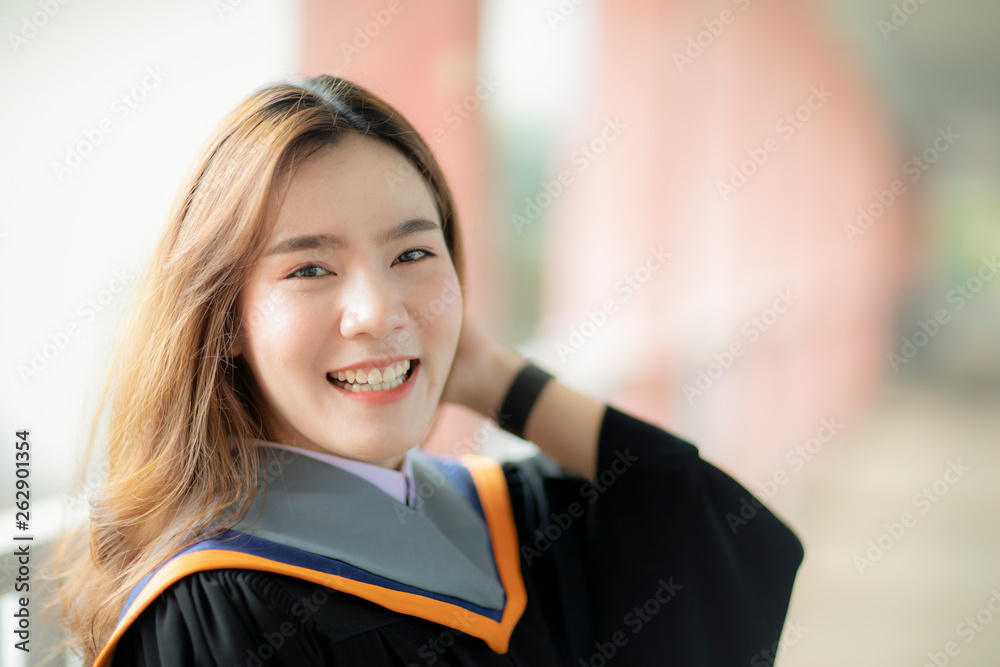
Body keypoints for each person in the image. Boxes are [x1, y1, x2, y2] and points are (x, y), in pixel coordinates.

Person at [51, 74, 804, 666]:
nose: (377, 311)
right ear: (226, 322)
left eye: (413, 254)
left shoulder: (506, 524)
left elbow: (705, 524)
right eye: (310, 268)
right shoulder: (221, 610)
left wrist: (500, 380)